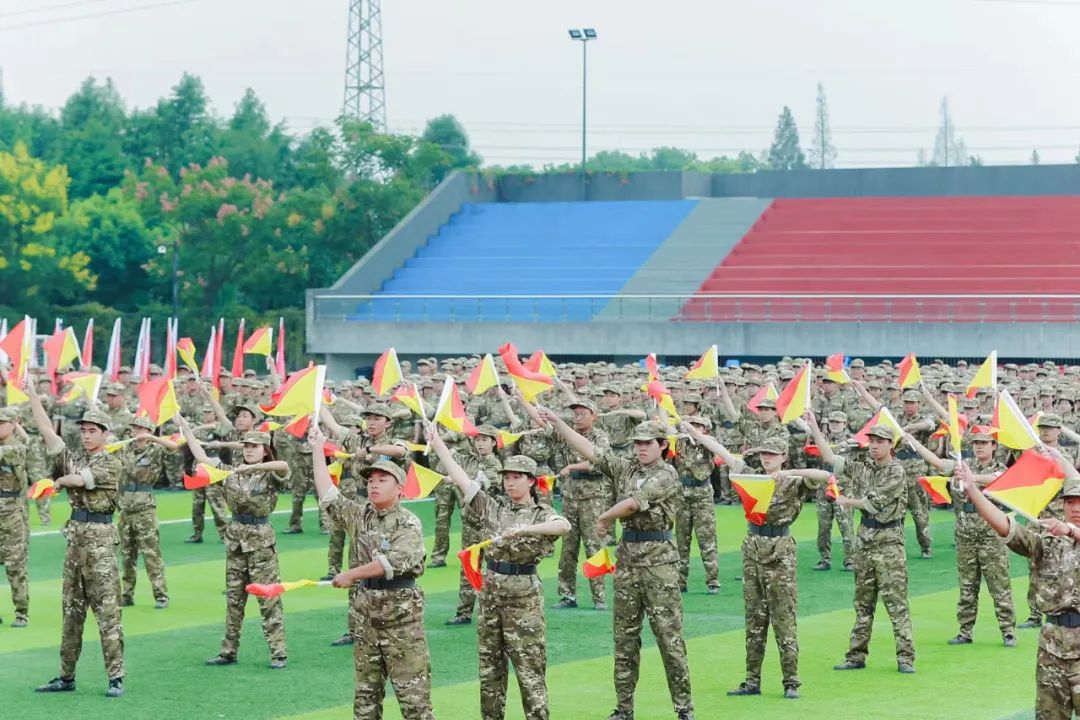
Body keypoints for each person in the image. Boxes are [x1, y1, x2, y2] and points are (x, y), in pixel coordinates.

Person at [541, 411, 693, 720]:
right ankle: (624, 709)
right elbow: (591, 451)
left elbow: (634, 503)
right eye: (637, 443)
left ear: (662, 445)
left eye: (647, 443)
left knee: (669, 638)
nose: (641, 448)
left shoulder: (666, 474)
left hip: (659, 563)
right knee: (624, 639)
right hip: (628, 560)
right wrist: (559, 423)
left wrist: (604, 516)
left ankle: (684, 709)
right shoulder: (627, 468)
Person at [429, 427, 570, 720]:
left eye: (517, 477)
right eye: (506, 477)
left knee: (529, 668)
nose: (510, 482)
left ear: (531, 481)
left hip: (523, 594)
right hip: (491, 594)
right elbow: (461, 478)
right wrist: (438, 443)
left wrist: (527, 529)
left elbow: (562, 525)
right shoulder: (493, 507)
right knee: (489, 669)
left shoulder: (541, 512)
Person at [683, 424, 819, 700]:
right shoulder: (752, 477)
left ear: (783, 456)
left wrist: (788, 473)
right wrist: (694, 433)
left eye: (771, 454)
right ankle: (752, 680)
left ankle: (791, 681)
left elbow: (825, 475)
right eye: (763, 454)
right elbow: (723, 452)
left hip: (780, 549)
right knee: (754, 619)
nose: (766, 458)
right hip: (753, 548)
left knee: (783, 618)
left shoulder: (794, 481)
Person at [309, 426, 435, 720]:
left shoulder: (408, 523)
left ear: (399, 488)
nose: (374, 485)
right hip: (366, 619)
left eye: (382, 480)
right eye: (370, 481)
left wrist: (352, 574)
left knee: (414, 702)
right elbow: (328, 494)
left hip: (401, 622)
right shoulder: (360, 514)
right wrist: (317, 449)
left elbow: (393, 561)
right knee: (365, 700)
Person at [957, 453, 1080, 720]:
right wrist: (974, 491)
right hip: (1053, 648)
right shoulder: (1047, 544)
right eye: (1070, 502)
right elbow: (1006, 526)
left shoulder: (1068, 533)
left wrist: (1071, 530)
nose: (1075, 508)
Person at [25, 380, 126, 698]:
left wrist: (56, 483)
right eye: (83, 430)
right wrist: (32, 396)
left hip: (100, 544)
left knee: (107, 612)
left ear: (105, 434)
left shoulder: (111, 462)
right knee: (71, 613)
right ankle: (66, 676)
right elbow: (48, 433)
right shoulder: (75, 457)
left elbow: (79, 480)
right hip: (76, 542)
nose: (86, 435)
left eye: (92, 430)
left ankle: (116, 677)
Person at [177, 415, 291, 669]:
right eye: (246, 446)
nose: (249, 450)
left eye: (255, 447)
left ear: (265, 450)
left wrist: (254, 468)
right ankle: (228, 651)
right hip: (236, 539)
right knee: (234, 599)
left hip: (261, 541)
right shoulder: (230, 471)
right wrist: (186, 429)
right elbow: (202, 457)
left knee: (268, 598)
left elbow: (283, 465)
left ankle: (278, 652)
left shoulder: (270, 474)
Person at [808, 415, 915, 674]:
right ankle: (856, 655)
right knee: (863, 603)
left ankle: (905, 658)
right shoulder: (863, 467)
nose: (874, 446)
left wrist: (846, 502)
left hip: (889, 543)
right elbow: (830, 459)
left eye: (880, 441)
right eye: (872, 441)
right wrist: (814, 427)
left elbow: (872, 503)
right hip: (866, 540)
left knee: (896, 604)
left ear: (891, 445)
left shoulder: (896, 472)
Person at [902, 426, 1017, 647]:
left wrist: (970, 477)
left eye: (984, 443)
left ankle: (1008, 631)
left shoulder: (999, 468)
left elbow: (995, 478)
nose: (979, 447)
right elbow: (938, 462)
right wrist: (914, 443)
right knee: (967, 587)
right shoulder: (963, 465)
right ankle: (965, 631)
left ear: (994, 446)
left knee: (999, 586)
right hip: (965, 537)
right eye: (976, 443)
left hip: (991, 537)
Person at [117, 416, 178, 609]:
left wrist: (153, 439)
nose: (137, 431)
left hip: (144, 507)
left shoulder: (156, 449)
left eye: (141, 428)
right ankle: (127, 594)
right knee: (127, 555)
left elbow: (174, 447)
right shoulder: (126, 448)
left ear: (149, 431)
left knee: (151, 554)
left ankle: (161, 595)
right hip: (126, 506)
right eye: (135, 428)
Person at [671, 416, 721, 594]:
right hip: (682, 494)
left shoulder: (709, 442)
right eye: (691, 425)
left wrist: (692, 432)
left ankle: (712, 581)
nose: (693, 428)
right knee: (681, 540)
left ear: (705, 428)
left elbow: (712, 447)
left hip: (702, 495)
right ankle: (680, 580)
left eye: (698, 426)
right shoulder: (680, 442)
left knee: (707, 539)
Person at [0, 407, 30, 627]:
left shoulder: (17, 448)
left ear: (13, 425)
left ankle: (21, 612)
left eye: (2, 423)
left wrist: (17, 424)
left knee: (15, 566)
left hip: (12, 516)